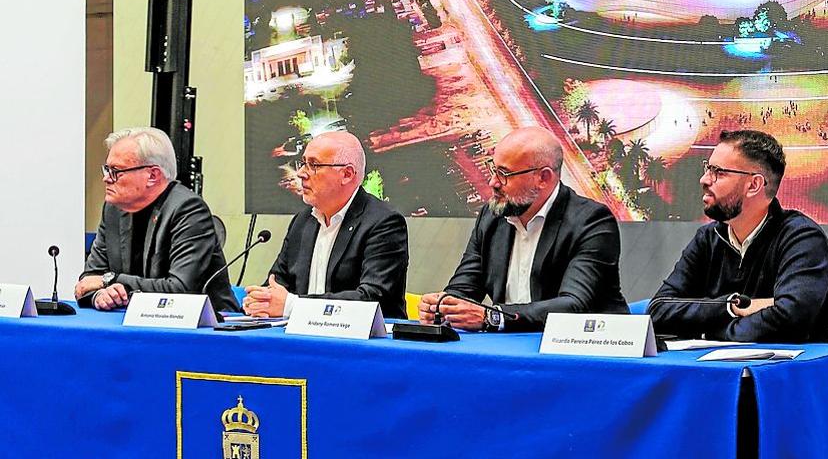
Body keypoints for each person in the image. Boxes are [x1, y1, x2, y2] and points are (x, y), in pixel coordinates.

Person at [418, 127, 627, 331]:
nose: (493, 182)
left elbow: (573, 306)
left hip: (583, 352)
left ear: (543, 178)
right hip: (511, 349)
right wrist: (443, 306)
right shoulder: (492, 216)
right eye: (493, 169)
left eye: (504, 174)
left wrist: (493, 317)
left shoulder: (591, 221)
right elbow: (464, 288)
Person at [649, 129, 828, 343]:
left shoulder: (802, 238)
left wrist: (708, 333)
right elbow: (658, 310)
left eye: (718, 172)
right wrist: (730, 305)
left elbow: (790, 320)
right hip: (718, 371)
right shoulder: (708, 237)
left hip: (791, 372)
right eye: (707, 168)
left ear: (754, 185)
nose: (704, 179)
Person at [243, 131, 408, 318]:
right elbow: (277, 284)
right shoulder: (303, 221)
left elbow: (371, 299)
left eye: (313, 165)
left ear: (346, 174)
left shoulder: (384, 223)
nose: (301, 173)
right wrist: (261, 301)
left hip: (360, 343)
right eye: (303, 162)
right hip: (300, 338)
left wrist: (293, 307)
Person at [76, 127, 239, 313]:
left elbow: (180, 289)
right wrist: (101, 295)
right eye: (106, 169)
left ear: (153, 175)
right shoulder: (113, 209)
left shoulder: (188, 210)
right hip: (136, 321)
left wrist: (112, 280)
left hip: (207, 329)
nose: (106, 178)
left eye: (116, 171)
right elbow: (89, 279)